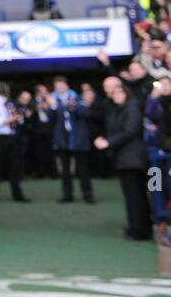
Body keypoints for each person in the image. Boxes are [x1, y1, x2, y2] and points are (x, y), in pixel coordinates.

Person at [94, 77, 152, 240]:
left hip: (132, 159)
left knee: (136, 195)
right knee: (134, 195)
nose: (116, 95)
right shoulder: (119, 109)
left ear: (126, 93)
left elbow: (130, 131)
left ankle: (139, 229)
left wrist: (108, 142)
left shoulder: (131, 108)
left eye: (120, 92)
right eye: (115, 93)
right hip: (126, 158)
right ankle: (138, 226)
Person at [49, 77, 93, 204]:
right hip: (62, 139)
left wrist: (73, 106)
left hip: (78, 139)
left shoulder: (77, 97)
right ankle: (67, 194)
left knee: (83, 169)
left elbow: (84, 113)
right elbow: (50, 119)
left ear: (67, 86)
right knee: (65, 170)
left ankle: (87, 194)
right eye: (57, 87)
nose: (60, 88)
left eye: (61, 86)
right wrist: (52, 106)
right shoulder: (53, 100)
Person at [0, 81, 28, 203]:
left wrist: (18, 118)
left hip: (11, 137)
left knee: (15, 167)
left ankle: (17, 194)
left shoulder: (8, 103)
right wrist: (12, 119)